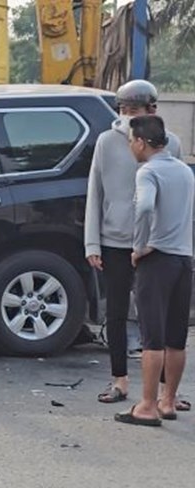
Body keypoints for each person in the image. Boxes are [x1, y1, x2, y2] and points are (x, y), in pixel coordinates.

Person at [83, 79, 182, 404]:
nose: (128, 116)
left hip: (155, 244)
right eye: (124, 111)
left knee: (159, 316)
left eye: (135, 111)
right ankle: (120, 380)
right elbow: (94, 192)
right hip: (114, 240)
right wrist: (92, 243)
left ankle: (166, 391)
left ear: (152, 111)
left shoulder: (173, 145)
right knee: (116, 311)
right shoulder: (107, 141)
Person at [114, 115, 194, 427]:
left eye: (131, 140)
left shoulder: (148, 172)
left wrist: (141, 245)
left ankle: (146, 405)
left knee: (152, 337)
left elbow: (145, 207)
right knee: (176, 336)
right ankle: (168, 400)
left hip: (157, 260)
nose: (130, 146)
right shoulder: (184, 171)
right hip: (183, 259)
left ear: (142, 142)